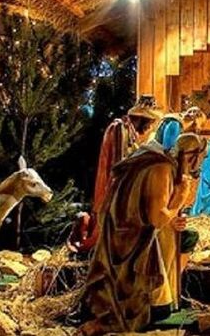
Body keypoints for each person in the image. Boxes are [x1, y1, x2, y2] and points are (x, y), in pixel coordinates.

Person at [80, 133, 207, 335]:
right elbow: (157, 218)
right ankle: (157, 303)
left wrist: (173, 218)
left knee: (186, 238)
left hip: (131, 230)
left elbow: (151, 209)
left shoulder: (162, 164)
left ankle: (169, 298)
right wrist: (181, 197)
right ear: (192, 156)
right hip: (133, 239)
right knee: (178, 243)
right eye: (202, 158)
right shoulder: (162, 168)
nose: (201, 164)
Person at [67, 95, 163, 253]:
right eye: (150, 122)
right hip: (114, 188)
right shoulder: (119, 128)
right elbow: (119, 164)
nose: (150, 127)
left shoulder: (129, 132)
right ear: (143, 119)